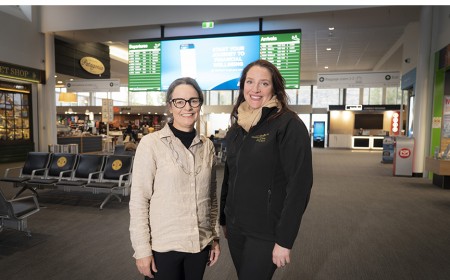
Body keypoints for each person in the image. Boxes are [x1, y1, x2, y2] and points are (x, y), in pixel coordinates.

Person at [219, 59, 313, 279]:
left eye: (264, 83)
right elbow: (230, 176)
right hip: (236, 227)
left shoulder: (288, 124)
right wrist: (225, 218)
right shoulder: (237, 127)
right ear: (242, 86)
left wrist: (284, 240)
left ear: (275, 88)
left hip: (266, 231)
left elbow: (300, 186)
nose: (255, 89)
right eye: (250, 82)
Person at [129, 77, 220, 279]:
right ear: (170, 106)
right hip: (163, 247)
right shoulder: (150, 144)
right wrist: (142, 250)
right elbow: (139, 200)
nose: (187, 107)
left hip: (199, 244)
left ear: (199, 104)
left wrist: (214, 237)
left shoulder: (208, 146)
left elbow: (211, 197)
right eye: (179, 101)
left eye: (193, 101)